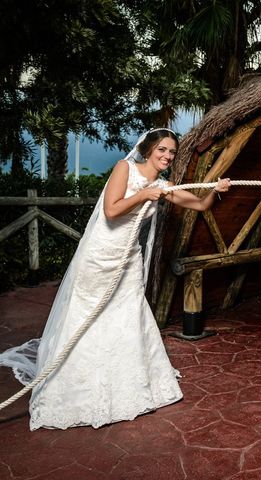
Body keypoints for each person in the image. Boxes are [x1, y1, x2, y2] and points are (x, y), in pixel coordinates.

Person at [0, 128, 231, 430]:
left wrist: (215, 189)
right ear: (148, 149)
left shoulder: (164, 185)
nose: (167, 156)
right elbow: (111, 211)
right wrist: (144, 194)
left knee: (127, 313)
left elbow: (199, 205)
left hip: (128, 260)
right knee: (90, 314)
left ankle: (127, 383)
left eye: (172, 152)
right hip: (100, 255)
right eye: (162, 149)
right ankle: (77, 383)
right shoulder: (126, 168)